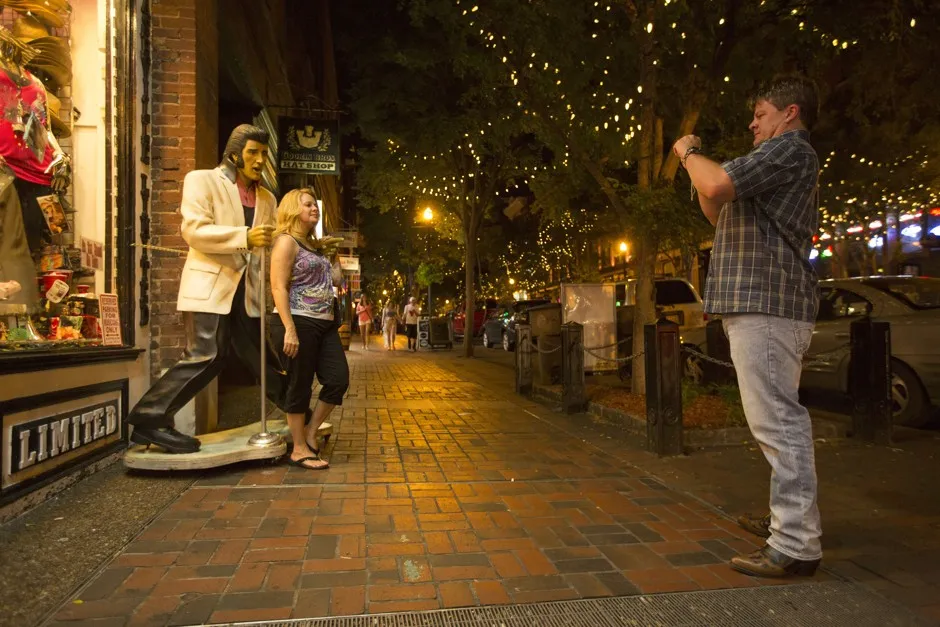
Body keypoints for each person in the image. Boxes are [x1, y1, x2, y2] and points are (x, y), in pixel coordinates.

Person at [673, 75, 821, 578]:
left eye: (760, 114)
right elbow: (715, 206)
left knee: (779, 421)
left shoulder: (791, 151)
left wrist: (688, 152)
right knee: (771, 422)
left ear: (789, 113)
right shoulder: (768, 162)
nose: (752, 123)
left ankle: (797, 543)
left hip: (770, 302)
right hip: (757, 304)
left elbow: (713, 183)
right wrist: (699, 171)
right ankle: (788, 520)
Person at [126, 124, 286, 454]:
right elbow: (194, 231)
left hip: (246, 293)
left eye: (264, 155)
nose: (259, 161)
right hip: (210, 287)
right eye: (252, 152)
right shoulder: (203, 181)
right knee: (206, 355)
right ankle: (149, 417)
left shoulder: (267, 198)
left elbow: (270, 242)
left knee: (260, 356)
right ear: (233, 154)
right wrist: (243, 237)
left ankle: (296, 408)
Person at [269, 188, 348, 470]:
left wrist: (334, 256)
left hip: (325, 324)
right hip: (298, 321)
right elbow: (278, 285)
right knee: (299, 385)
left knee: (338, 379)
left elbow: (335, 281)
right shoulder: (286, 242)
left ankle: (311, 433)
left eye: (315, 205)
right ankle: (299, 449)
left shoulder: (315, 246)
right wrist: (289, 328)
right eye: (308, 204)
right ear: (293, 209)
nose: (314, 208)